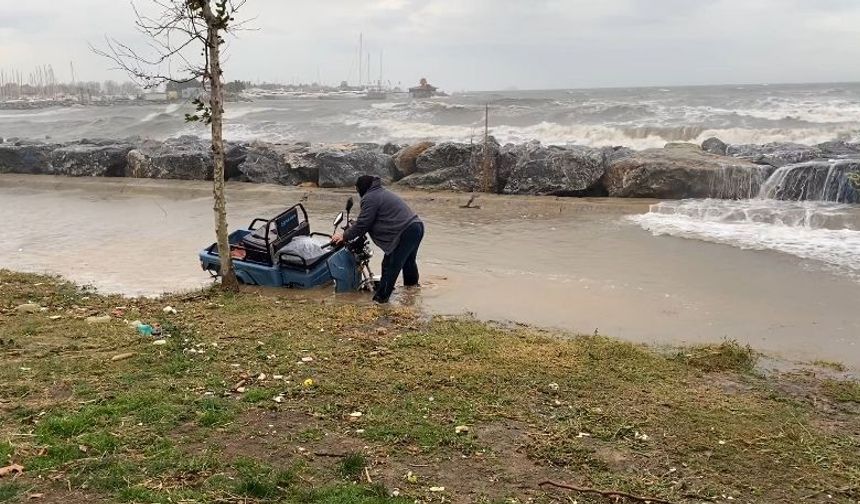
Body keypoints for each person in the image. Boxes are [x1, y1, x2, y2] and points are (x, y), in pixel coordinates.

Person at [332, 175, 424, 303]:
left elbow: (364, 224)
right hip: (416, 227)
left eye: (357, 190)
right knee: (408, 262)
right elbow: (368, 220)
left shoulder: (370, 197)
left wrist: (344, 236)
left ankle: (380, 300)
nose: (358, 193)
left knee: (390, 265)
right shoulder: (379, 192)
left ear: (362, 188)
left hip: (405, 232)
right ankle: (412, 292)